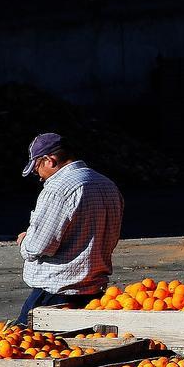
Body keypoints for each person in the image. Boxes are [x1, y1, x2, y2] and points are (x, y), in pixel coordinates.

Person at [14, 133, 124, 325]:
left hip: (56, 294)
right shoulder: (107, 185)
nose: (38, 177)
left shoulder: (58, 189)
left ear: (49, 160)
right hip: (94, 295)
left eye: (36, 168)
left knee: (24, 345)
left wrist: (25, 240)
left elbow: (40, 246)